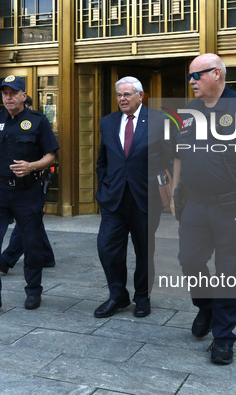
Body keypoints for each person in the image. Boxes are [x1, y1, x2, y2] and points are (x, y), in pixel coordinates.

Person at [170, 54, 236, 364]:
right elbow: (179, 153)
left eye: (196, 75)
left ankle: (224, 337)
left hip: (232, 206)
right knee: (189, 261)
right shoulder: (189, 112)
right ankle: (205, 306)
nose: (191, 82)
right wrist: (176, 193)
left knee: (231, 272)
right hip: (195, 205)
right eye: (190, 76)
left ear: (216, 74)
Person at [0, 75, 59, 316]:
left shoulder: (37, 121)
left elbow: (51, 156)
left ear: (23, 95)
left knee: (31, 242)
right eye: (4, 93)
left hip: (27, 190)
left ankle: (33, 290)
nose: (8, 97)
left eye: (13, 92)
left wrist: (31, 166)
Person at [94, 76, 167, 319]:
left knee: (144, 250)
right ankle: (117, 295)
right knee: (107, 248)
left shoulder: (159, 121)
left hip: (145, 198)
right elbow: (102, 160)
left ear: (140, 95)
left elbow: (170, 160)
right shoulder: (107, 122)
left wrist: (167, 192)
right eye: (119, 95)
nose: (122, 99)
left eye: (127, 94)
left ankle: (142, 296)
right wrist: (102, 188)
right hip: (113, 198)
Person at [0, 95, 56, 274]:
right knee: (34, 218)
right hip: (14, 184)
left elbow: (49, 153)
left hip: (35, 181)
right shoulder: (9, 124)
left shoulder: (39, 123)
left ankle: (7, 259)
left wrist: (32, 167)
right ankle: (46, 255)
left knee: (28, 220)